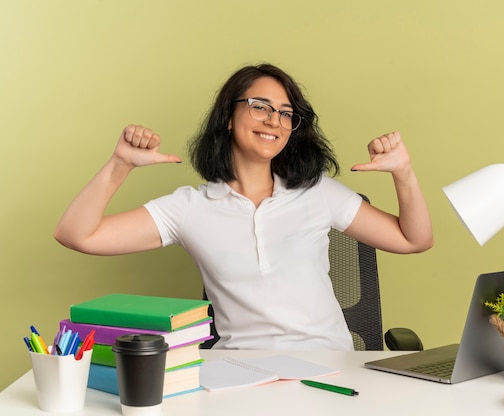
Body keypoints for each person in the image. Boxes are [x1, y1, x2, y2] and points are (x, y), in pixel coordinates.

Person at [54, 63, 433, 351]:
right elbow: (77, 234)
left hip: (331, 367)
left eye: (286, 113)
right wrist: (120, 164)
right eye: (260, 106)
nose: (275, 120)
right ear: (228, 118)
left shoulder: (318, 192)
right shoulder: (189, 208)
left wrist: (403, 171)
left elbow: (413, 239)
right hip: (240, 372)